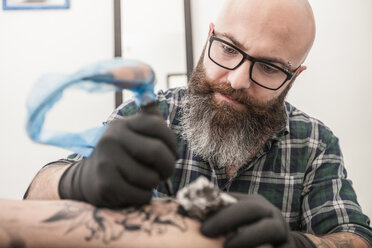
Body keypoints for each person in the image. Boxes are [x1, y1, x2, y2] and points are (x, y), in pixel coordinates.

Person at [25, 0, 372, 247]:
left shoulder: (315, 144)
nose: (237, 79)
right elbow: (35, 199)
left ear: (293, 77)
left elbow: (353, 236)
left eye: (269, 67)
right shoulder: (149, 114)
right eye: (228, 49)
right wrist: (76, 180)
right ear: (209, 38)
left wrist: (300, 244)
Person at [0, 197, 224, 248]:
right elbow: (36, 194)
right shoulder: (155, 111)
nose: (237, 81)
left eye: (262, 71)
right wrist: (68, 179)